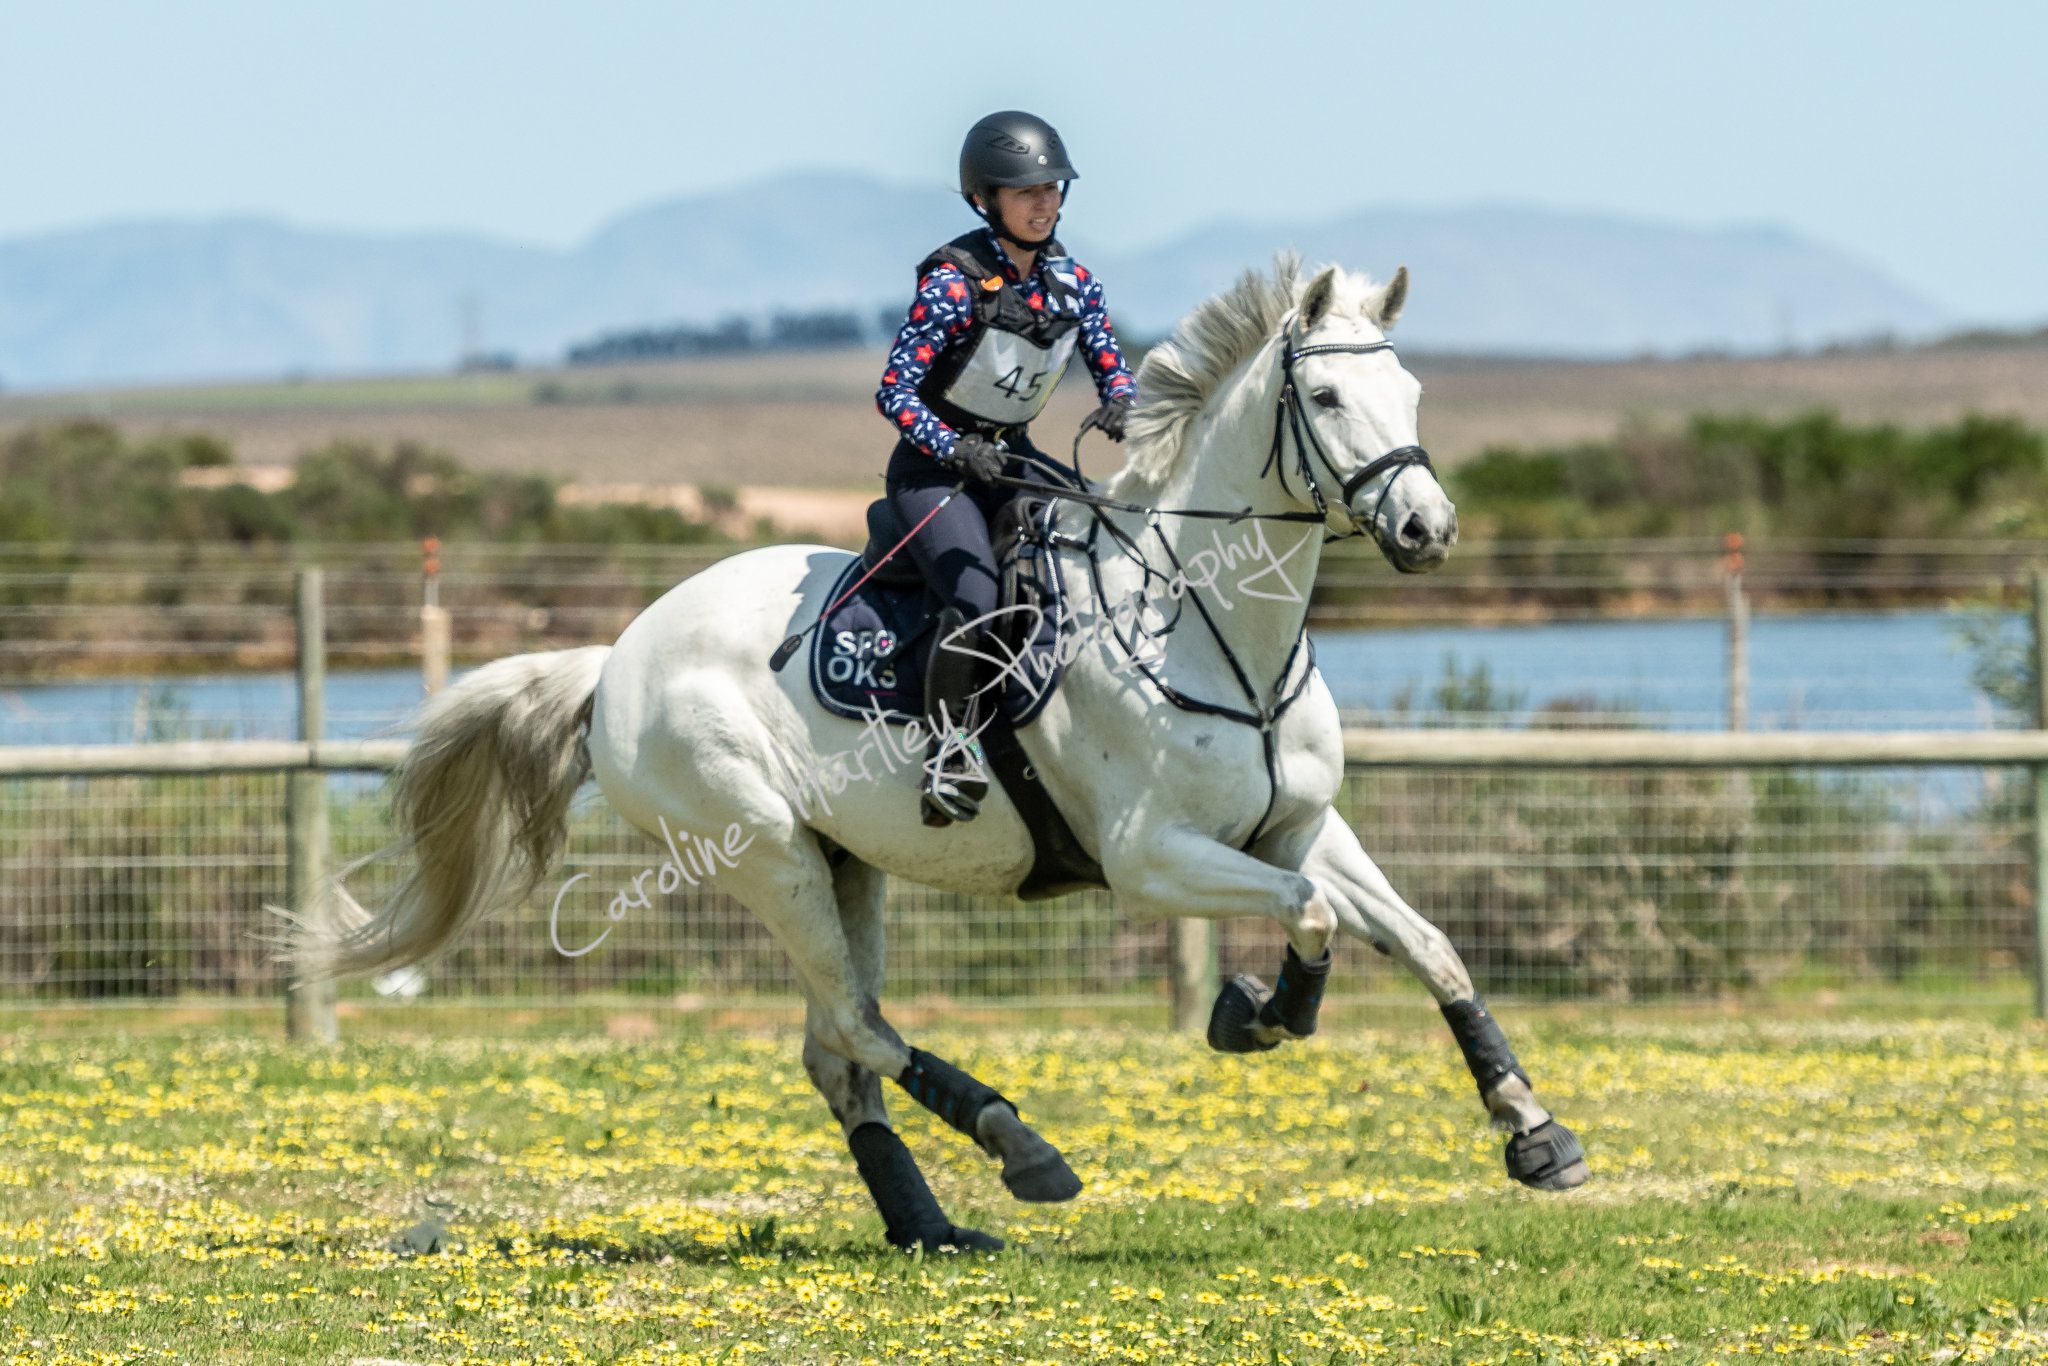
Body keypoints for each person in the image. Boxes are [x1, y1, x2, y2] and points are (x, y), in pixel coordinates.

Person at [876, 110, 1138, 827]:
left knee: (1113, 538)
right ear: (984, 199)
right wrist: (955, 447)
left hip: (1011, 460)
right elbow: (893, 392)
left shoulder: (1073, 281)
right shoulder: (954, 283)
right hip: (936, 471)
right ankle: (946, 754)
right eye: (1026, 192)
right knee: (976, 596)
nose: (1044, 202)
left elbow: (1112, 364)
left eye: (1052, 189)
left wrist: (1121, 401)